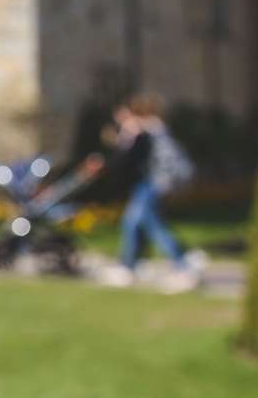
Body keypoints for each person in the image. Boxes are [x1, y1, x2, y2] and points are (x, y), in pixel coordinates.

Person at [86, 95, 203, 293]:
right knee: (133, 221)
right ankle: (130, 265)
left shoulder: (141, 127)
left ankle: (183, 263)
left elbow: (127, 157)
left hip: (156, 182)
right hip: (153, 181)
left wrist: (113, 149)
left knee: (151, 224)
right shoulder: (151, 127)